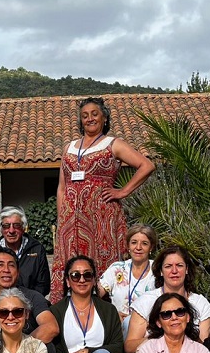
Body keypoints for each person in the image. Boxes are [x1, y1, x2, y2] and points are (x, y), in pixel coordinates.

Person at [49, 97, 155, 302]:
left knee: (101, 264)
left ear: (104, 118)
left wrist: (123, 191)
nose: (89, 119)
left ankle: (104, 310)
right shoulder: (69, 147)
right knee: (72, 266)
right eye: (84, 115)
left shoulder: (113, 144)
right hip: (70, 223)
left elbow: (147, 165)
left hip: (101, 219)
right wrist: (62, 219)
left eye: (94, 114)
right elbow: (62, 187)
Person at [124, 245, 210, 353]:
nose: (174, 271)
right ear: (161, 271)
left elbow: (204, 347)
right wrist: (160, 339)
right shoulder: (145, 301)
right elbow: (130, 347)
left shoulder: (201, 304)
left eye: (179, 265)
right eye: (168, 266)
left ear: (186, 269)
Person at [98, 224, 159, 338]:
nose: (138, 247)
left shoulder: (158, 270)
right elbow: (94, 296)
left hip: (147, 331)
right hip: (117, 329)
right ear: (128, 246)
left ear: (151, 247)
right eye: (134, 242)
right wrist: (112, 314)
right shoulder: (117, 269)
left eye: (144, 243)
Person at [0, 206, 50, 298]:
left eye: (16, 225)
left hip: (31, 302)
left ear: (23, 228)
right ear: (1, 229)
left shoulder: (37, 249)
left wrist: (25, 302)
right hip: (0, 302)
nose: (11, 230)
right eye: (6, 226)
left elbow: (43, 285)